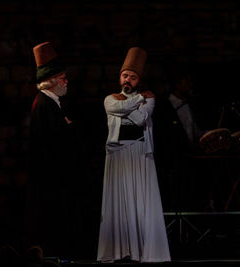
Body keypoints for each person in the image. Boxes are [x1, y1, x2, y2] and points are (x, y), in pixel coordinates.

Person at [97, 47, 170, 263]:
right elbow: (116, 108)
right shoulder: (110, 98)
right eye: (125, 75)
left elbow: (140, 120)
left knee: (141, 201)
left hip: (139, 153)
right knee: (118, 202)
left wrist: (129, 105)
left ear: (139, 79)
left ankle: (142, 249)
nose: (128, 79)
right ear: (120, 77)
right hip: (118, 153)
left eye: (133, 76)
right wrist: (137, 100)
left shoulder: (150, 99)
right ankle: (118, 249)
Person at [26, 42, 82, 259]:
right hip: (51, 181)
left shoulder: (51, 103)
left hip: (55, 180)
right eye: (62, 77)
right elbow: (53, 143)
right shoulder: (44, 105)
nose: (66, 81)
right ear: (51, 81)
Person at [153, 69, 205, 211]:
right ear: (176, 83)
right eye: (185, 80)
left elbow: (195, 131)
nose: (189, 84)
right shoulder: (164, 107)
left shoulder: (190, 105)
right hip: (172, 162)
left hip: (190, 159)